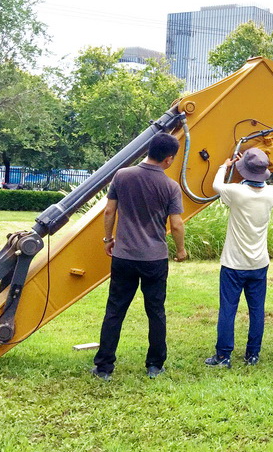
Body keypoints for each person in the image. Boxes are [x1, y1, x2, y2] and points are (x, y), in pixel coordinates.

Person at [91, 132, 188, 380]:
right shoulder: (170, 186)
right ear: (168, 159)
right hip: (154, 259)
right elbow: (176, 224)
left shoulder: (122, 175)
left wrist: (108, 239)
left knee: (115, 310)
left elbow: (109, 211)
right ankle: (155, 365)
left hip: (124, 256)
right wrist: (180, 250)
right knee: (155, 311)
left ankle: (104, 367)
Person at [204, 148, 273, 368]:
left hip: (234, 264)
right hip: (259, 263)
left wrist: (225, 166)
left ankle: (223, 356)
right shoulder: (271, 193)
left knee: (228, 309)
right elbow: (259, 182)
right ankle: (252, 355)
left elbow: (216, 186)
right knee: (257, 310)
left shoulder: (236, 192)